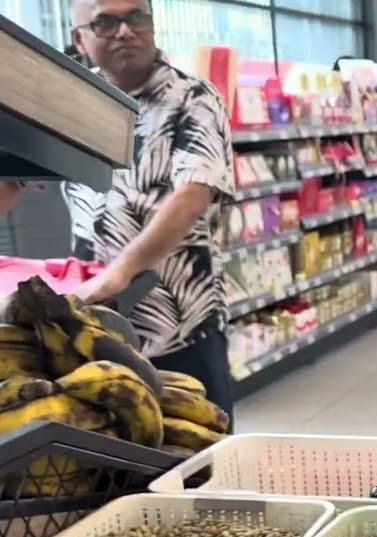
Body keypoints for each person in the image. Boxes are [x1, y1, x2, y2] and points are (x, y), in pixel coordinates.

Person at [0, 0, 236, 419]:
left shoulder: (193, 97)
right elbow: (13, 176)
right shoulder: (74, 101)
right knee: (110, 454)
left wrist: (120, 274)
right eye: (106, 22)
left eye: (136, 18)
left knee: (197, 449)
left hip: (179, 322)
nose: (125, 31)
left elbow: (192, 195)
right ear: (79, 39)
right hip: (92, 325)